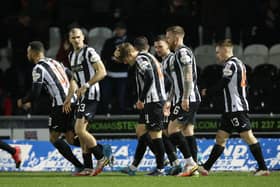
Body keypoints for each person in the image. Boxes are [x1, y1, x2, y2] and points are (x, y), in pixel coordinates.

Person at [198, 39, 270, 176]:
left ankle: (263, 167)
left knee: (248, 136)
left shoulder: (230, 65)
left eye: (218, 52)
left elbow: (222, 84)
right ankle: (206, 167)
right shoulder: (239, 63)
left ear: (226, 50)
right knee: (221, 137)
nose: (217, 56)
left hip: (235, 108)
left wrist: (207, 92)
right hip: (230, 109)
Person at [17, 41, 84, 172]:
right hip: (73, 101)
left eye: (28, 52)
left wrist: (23, 100)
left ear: (33, 52)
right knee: (71, 138)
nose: (27, 55)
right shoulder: (56, 62)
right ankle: (99, 149)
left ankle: (79, 166)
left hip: (61, 105)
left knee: (54, 138)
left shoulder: (38, 68)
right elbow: (73, 77)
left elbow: (35, 93)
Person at [114, 37, 168, 176]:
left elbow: (149, 76)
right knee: (140, 130)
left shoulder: (140, 59)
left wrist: (141, 99)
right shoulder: (149, 56)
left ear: (130, 54)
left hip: (153, 101)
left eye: (125, 59)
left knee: (155, 135)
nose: (126, 63)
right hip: (154, 100)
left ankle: (161, 166)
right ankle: (133, 167)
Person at [67, 28, 112, 176]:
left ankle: (102, 155)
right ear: (69, 39)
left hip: (91, 94)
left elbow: (102, 71)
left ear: (83, 37)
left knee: (79, 129)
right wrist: (69, 97)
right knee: (81, 134)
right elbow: (74, 78)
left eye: (78, 37)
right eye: (73, 38)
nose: (76, 40)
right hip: (81, 97)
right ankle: (88, 167)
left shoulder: (89, 52)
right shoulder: (71, 55)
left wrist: (86, 85)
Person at [165, 25, 201, 177]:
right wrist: (169, 100)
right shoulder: (176, 54)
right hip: (183, 98)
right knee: (186, 131)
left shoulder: (183, 52)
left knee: (172, 130)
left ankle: (191, 164)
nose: (167, 40)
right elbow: (176, 81)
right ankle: (193, 167)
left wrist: (185, 97)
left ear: (176, 37)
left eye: (168, 37)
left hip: (188, 98)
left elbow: (187, 76)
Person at [153, 34, 182, 175]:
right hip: (168, 101)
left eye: (161, 46)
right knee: (166, 132)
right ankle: (175, 162)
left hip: (172, 101)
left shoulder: (172, 59)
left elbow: (175, 82)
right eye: (156, 47)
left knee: (166, 132)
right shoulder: (163, 61)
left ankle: (181, 161)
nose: (158, 49)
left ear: (167, 46)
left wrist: (169, 101)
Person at [100, 21, 130, 114]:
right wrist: (112, 58)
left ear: (125, 30)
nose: (119, 31)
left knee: (121, 98)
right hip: (110, 73)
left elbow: (133, 55)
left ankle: (121, 117)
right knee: (105, 96)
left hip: (123, 74)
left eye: (121, 29)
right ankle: (105, 114)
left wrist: (123, 60)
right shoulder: (109, 41)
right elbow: (104, 55)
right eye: (117, 29)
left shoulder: (130, 41)